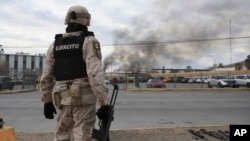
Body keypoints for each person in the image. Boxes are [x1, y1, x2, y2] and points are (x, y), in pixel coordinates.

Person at [40, 5, 110, 141]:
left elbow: (46, 77)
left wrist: (47, 101)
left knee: (62, 135)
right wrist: (104, 104)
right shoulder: (89, 42)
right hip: (83, 102)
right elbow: (95, 75)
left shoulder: (54, 45)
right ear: (85, 20)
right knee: (82, 135)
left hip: (62, 100)